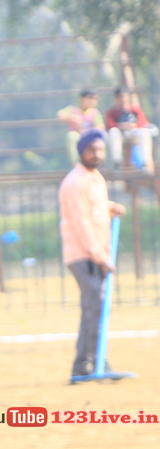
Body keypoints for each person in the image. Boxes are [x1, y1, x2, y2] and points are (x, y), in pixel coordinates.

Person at [58, 128, 126, 378]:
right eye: (91, 149)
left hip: (95, 252)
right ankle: (93, 364)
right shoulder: (75, 182)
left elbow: (94, 208)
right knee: (97, 303)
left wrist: (110, 208)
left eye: (100, 149)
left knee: (94, 306)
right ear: (81, 152)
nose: (96, 154)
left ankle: (87, 364)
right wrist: (101, 257)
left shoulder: (95, 178)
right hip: (82, 254)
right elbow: (81, 223)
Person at [105, 86, 155, 174]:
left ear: (127, 96)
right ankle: (117, 163)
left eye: (123, 96)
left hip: (134, 134)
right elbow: (109, 125)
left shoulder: (134, 109)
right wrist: (119, 126)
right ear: (115, 98)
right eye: (118, 97)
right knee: (113, 132)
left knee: (144, 132)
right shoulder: (112, 111)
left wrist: (133, 125)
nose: (121, 99)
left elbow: (144, 122)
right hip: (120, 135)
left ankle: (146, 164)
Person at [57, 89, 105, 165]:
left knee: (104, 136)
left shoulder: (94, 112)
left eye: (95, 99)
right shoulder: (73, 109)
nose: (92, 101)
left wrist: (90, 130)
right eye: (90, 98)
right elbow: (60, 115)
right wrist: (73, 118)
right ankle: (76, 163)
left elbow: (100, 127)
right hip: (78, 136)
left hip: (90, 138)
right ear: (82, 98)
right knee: (71, 136)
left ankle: (101, 162)